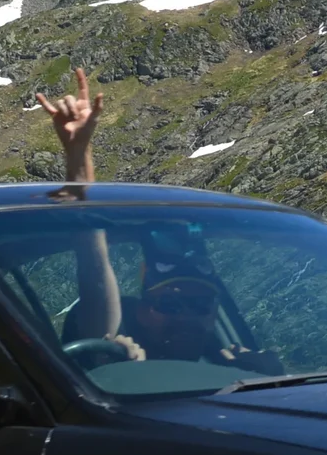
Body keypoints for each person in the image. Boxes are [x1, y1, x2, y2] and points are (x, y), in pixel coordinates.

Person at [35, 68, 275, 372]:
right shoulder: (113, 368)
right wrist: (79, 158)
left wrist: (271, 380)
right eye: (170, 306)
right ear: (142, 313)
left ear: (214, 313)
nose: (186, 317)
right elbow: (94, 271)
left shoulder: (237, 378)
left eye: (200, 305)